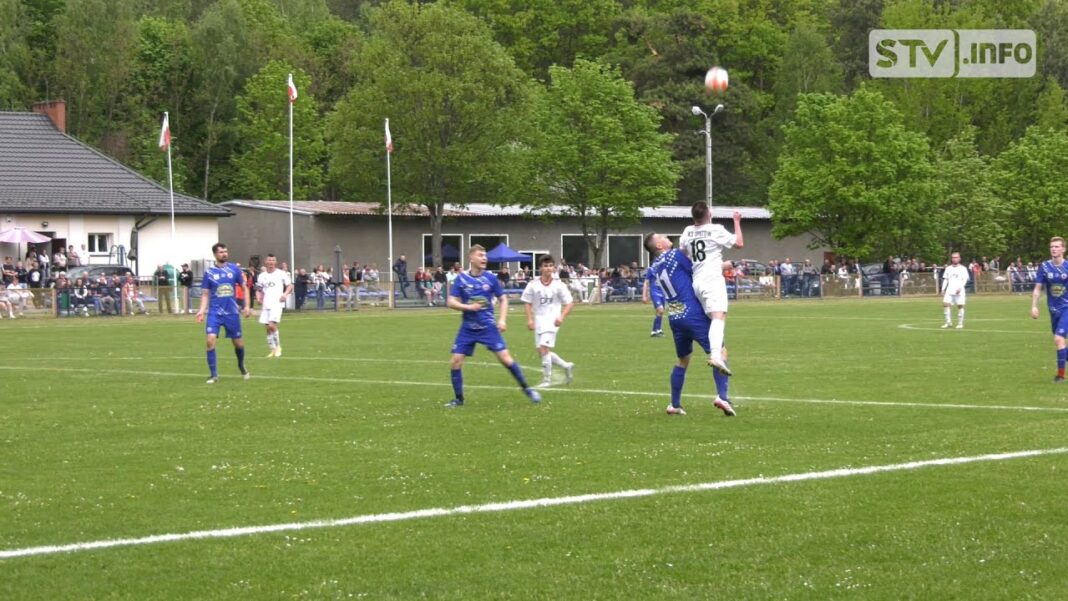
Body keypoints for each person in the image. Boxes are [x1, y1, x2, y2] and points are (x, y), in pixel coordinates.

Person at [644, 232, 735, 417]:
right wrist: (725, 265)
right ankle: (723, 397)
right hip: (691, 312)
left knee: (683, 359)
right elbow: (698, 270)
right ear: (659, 246)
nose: (666, 236)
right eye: (662, 236)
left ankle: (675, 405)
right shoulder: (674, 255)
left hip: (675, 315)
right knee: (720, 351)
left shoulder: (655, 266)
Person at [445, 244, 541, 407]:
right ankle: (459, 399)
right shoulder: (461, 279)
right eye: (481, 255)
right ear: (471, 258)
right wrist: (468, 307)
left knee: (505, 359)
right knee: (455, 361)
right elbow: (450, 302)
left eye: (485, 255)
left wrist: (502, 320)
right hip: (468, 328)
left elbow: (503, 299)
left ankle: (528, 390)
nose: (484, 258)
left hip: (488, 326)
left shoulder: (490, 278)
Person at [678, 202, 744, 375]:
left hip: (697, 281)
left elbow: (684, 253)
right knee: (718, 316)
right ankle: (716, 355)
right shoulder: (716, 229)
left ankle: (721, 389)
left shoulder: (687, 231)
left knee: (714, 319)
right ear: (708, 214)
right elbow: (739, 243)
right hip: (712, 280)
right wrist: (736, 221)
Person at [195, 242, 251, 383]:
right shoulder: (209, 273)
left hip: (231, 313)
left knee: (238, 343)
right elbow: (206, 294)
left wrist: (247, 306)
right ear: (215, 254)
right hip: (214, 313)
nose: (224, 254)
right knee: (210, 340)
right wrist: (201, 311)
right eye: (221, 252)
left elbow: (245, 288)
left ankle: (241, 365)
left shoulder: (234, 270)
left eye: (225, 251)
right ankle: (214, 375)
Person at [521, 255, 576, 388]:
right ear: (540, 268)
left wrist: (561, 317)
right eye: (545, 266)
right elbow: (527, 302)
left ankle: (547, 380)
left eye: (550, 265)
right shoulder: (533, 284)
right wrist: (529, 319)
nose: (548, 268)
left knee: (545, 348)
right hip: (539, 319)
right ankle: (566, 365)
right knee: (541, 351)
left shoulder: (559, 285)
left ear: (554, 268)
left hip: (552, 321)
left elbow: (570, 303)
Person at [1031, 236, 1068, 383]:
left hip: (1067, 308)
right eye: (1052, 246)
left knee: (1059, 339)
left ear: (1063, 249)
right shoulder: (1045, 267)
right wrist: (1034, 305)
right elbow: (1038, 288)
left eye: (1057, 246)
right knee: (1060, 343)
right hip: (1053, 311)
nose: (1054, 249)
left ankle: (1060, 376)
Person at [255, 253, 293, 358]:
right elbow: (259, 289)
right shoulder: (262, 276)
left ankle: (278, 347)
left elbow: (290, 285)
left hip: (277, 303)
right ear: (266, 262)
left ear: (275, 262)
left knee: (272, 325)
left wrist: (285, 295)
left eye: (273, 260)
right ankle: (272, 350)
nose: (271, 262)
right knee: (267, 328)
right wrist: (258, 297)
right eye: (269, 260)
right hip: (266, 304)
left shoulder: (281, 273)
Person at [941, 252, 969, 329]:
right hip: (949, 290)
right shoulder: (948, 268)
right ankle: (948, 322)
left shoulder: (963, 268)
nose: (954, 259)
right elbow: (946, 279)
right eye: (953, 257)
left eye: (956, 257)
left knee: (960, 306)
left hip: (959, 291)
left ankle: (960, 323)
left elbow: (965, 280)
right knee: (946, 304)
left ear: (959, 258)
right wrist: (943, 289)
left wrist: (960, 287)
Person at [642, 264, 665, 337]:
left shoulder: (665, 268)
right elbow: (646, 282)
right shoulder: (651, 269)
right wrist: (644, 295)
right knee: (660, 310)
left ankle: (655, 331)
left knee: (660, 312)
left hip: (663, 292)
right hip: (655, 292)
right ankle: (657, 330)